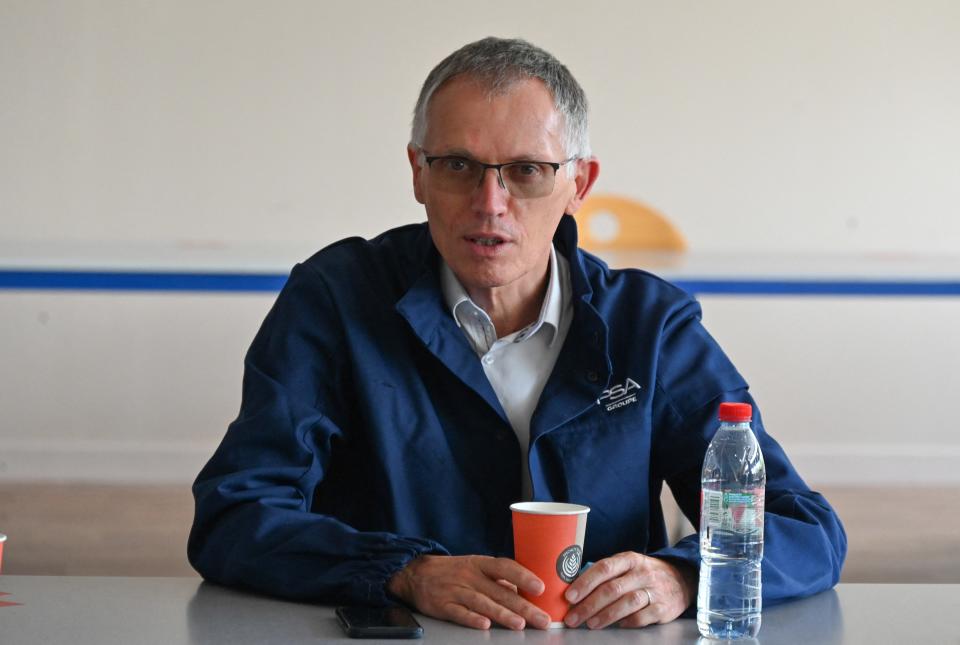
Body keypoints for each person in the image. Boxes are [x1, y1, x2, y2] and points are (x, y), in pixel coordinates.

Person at [188, 36, 846, 631]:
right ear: (417, 172)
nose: (490, 203)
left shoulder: (650, 326)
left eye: (527, 170)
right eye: (457, 165)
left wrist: (683, 575)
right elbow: (235, 514)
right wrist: (402, 570)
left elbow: (801, 527)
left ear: (577, 184)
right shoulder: (337, 299)